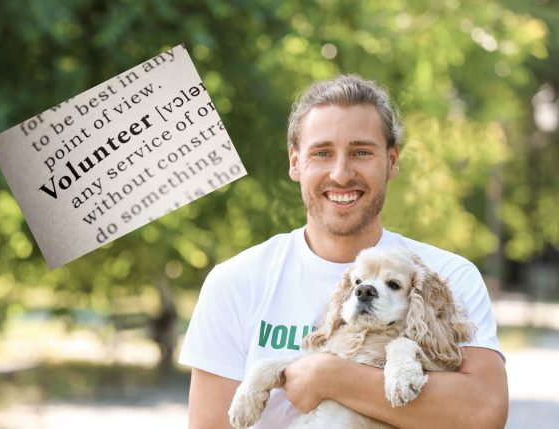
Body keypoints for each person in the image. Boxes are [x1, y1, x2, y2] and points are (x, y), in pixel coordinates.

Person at [179, 74, 508, 429]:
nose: (341, 173)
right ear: (295, 162)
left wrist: (331, 376)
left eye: (361, 152)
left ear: (392, 161)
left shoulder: (450, 275)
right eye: (322, 153)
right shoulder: (235, 281)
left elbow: (484, 413)